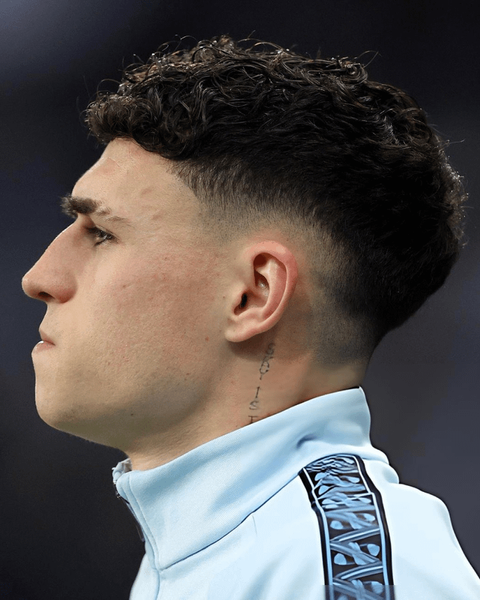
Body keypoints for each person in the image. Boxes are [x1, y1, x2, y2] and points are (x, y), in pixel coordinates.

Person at [22, 35, 480, 600]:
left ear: (253, 295)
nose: (39, 277)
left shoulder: (337, 574)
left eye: (101, 233)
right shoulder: (224, 548)